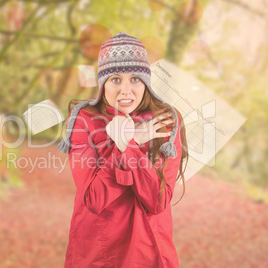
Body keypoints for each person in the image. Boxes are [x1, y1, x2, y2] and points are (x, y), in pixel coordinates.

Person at [57, 32, 188, 268]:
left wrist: (128, 145)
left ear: (146, 81)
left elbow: (157, 201)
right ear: (102, 83)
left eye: (135, 79)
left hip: (149, 251)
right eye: (115, 79)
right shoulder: (84, 120)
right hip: (99, 254)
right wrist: (129, 144)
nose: (125, 90)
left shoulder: (165, 122)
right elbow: (94, 199)